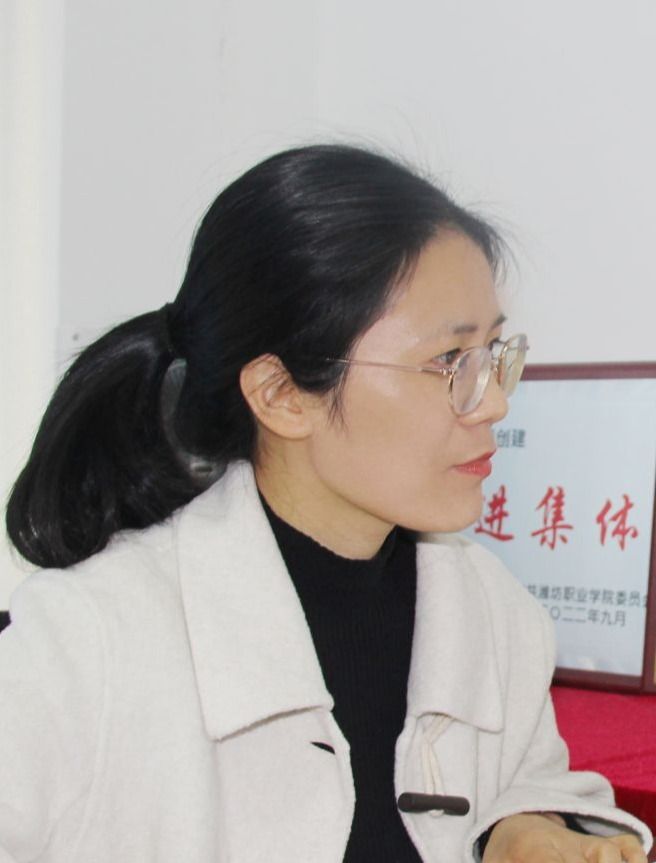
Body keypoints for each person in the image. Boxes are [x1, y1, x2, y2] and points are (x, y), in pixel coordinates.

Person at [1, 144, 651, 862]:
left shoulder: (493, 612)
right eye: (448, 361)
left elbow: (527, 779)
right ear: (281, 395)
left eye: (495, 353)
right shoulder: (86, 641)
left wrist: (519, 826)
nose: (494, 400)